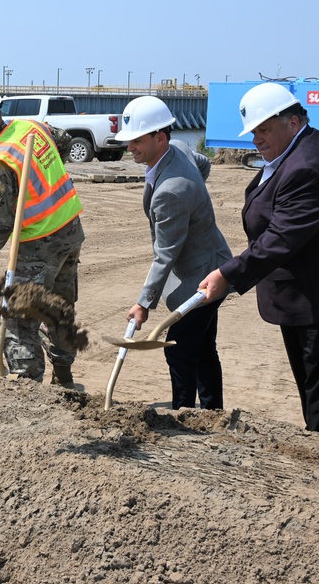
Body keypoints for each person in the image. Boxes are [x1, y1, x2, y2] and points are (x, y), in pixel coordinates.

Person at [199, 82, 319, 432]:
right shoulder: (291, 152)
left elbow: (281, 238)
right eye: (254, 131)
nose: (257, 139)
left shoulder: (310, 166)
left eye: (265, 129)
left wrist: (227, 275)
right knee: (313, 392)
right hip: (309, 295)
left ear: (293, 121)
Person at [0, 84, 84, 384]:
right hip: (70, 230)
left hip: (40, 243)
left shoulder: (1, 159)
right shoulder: (32, 126)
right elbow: (63, 142)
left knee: (19, 317)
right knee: (60, 308)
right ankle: (64, 378)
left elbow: (0, 223)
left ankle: (28, 386)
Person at [117, 96, 231, 409]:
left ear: (160, 138)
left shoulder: (172, 191)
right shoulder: (178, 148)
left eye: (137, 141)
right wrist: (197, 198)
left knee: (179, 349)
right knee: (203, 347)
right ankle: (211, 410)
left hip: (201, 277)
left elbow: (164, 255)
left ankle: (183, 411)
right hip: (212, 261)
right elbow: (203, 164)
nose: (131, 149)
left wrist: (143, 304)